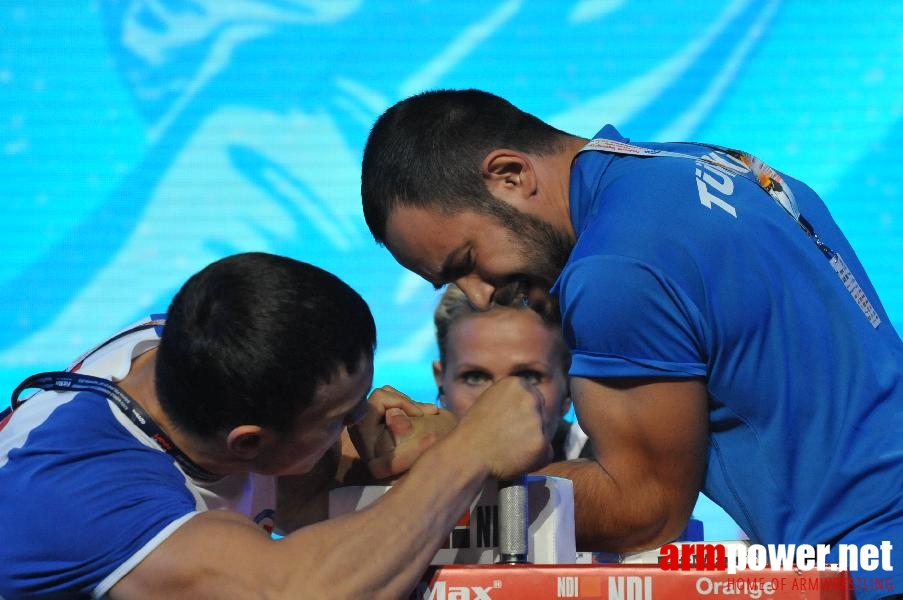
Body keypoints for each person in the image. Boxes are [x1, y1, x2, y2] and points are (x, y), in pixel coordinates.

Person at [360, 89, 903, 598]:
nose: (478, 297)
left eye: (467, 263)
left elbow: (643, 510)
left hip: (871, 565)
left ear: (510, 175)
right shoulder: (701, 163)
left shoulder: (615, 270)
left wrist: (438, 475)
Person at [0, 252, 549, 599]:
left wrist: (382, 457)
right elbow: (299, 589)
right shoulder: (84, 496)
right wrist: (467, 452)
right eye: (342, 418)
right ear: (248, 442)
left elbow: (287, 493)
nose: (368, 416)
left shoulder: (211, 347)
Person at [433, 284, 591, 461]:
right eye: (475, 377)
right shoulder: (405, 472)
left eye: (528, 377)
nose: (502, 403)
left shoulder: (611, 467)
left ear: (569, 388)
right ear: (441, 382)